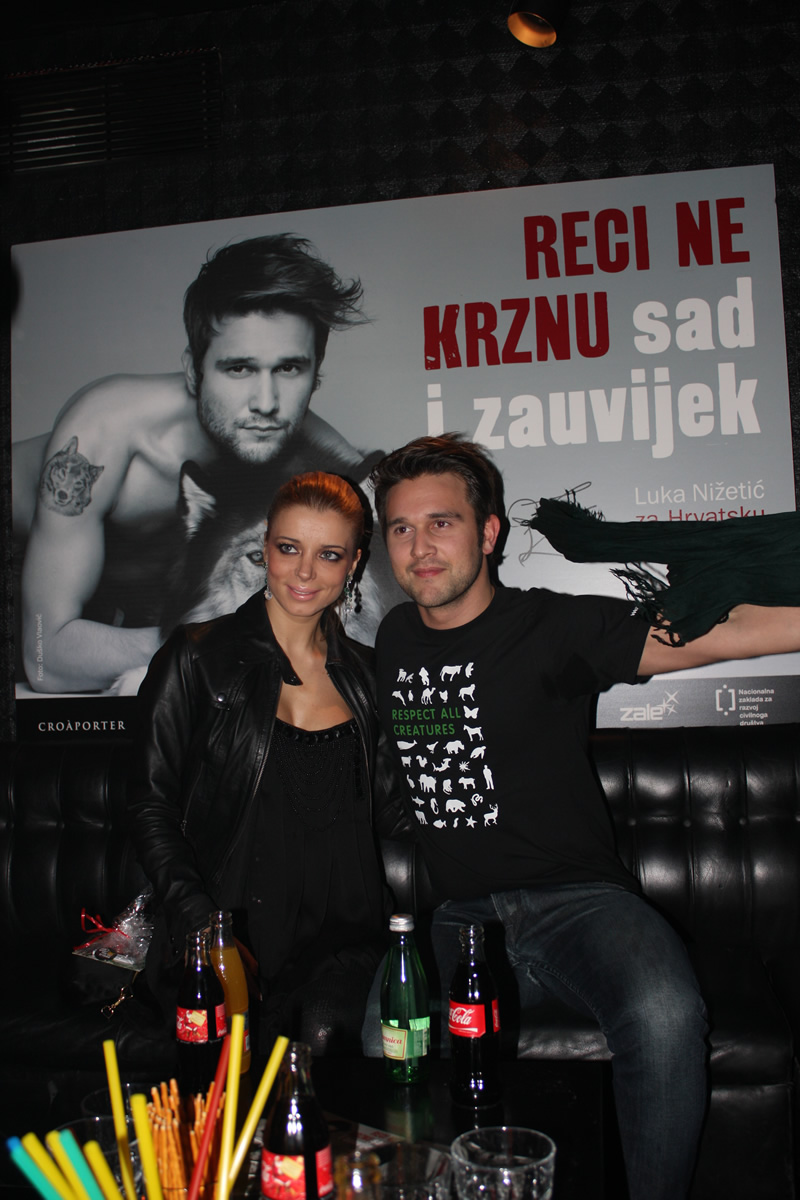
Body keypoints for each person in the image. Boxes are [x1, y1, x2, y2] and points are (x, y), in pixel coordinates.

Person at [367, 433, 800, 1200]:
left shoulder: (550, 628)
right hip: (461, 919)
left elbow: (717, 635)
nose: (420, 547)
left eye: (442, 523)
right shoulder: (393, 639)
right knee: (382, 1035)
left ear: (489, 533)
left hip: (581, 905)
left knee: (664, 1012)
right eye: (401, 527)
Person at [13, 233, 395, 695]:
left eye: (289, 369)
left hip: (142, 611)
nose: (266, 402)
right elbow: (46, 659)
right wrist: (228, 641)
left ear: (316, 374)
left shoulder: (330, 464)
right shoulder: (104, 435)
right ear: (194, 372)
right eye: (239, 369)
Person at [127, 470, 401, 1054]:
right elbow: (149, 806)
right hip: (223, 929)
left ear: (354, 564)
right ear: (267, 549)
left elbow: (394, 812)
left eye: (329, 555)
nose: (305, 573)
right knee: (227, 1087)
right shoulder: (195, 658)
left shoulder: (370, 674)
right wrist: (202, 925)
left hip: (344, 938)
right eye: (289, 548)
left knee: (322, 1041)